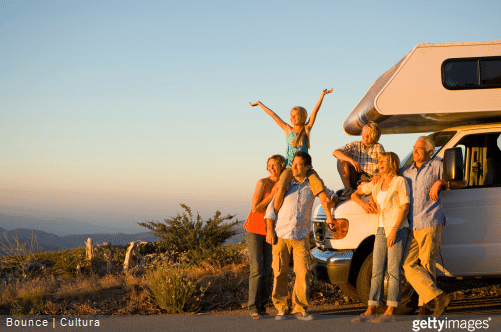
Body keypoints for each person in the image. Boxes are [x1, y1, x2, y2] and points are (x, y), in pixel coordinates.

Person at [264, 151, 338, 321]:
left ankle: (299, 309)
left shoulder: (312, 185)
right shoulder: (286, 184)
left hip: (301, 237)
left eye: (298, 165)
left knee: (303, 273)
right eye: (294, 164)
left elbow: (330, 195)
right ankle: (281, 308)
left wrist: (332, 203)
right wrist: (269, 230)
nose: (294, 168)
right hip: (281, 235)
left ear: (307, 167)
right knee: (279, 272)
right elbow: (270, 211)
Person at [250, 88, 335, 227]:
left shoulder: (306, 130)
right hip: (289, 167)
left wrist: (322, 95)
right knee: (281, 188)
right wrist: (260, 104)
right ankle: (273, 218)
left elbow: (315, 112)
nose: (292, 118)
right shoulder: (287, 129)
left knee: (318, 185)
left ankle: (329, 217)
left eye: (295, 116)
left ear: (302, 117)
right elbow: (273, 115)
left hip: (306, 167)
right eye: (291, 116)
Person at [350, 152, 410, 323]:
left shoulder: (400, 181)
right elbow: (356, 194)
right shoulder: (376, 183)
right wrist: (363, 204)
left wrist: (395, 230)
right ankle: (371, 309)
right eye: (379, 161)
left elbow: (404, 207)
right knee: (376, 270)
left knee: (393, 270)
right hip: (381, 228)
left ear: (392, 164)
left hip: (397, 229)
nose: (380, 164)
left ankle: (390, 310)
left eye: (384, 161)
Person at [401, 136, 455, 316]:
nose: (415, 150)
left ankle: (424, 306)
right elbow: (390, 177)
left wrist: (440, 182)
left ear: (430, 152)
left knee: (427, 263)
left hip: (430, 221)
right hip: (412, 224)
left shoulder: (438, 165)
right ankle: (438, 297)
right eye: (414, 147)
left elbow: (459, 181)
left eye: (420, 148)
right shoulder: (406, 171)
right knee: (407, 264)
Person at [243, 154, 286, 319]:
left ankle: (262, 305)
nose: (272, 168)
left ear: (282, 166)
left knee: (269, 270)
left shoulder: (285, 184)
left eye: (275, 165)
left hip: (272, 231)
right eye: (269, 165)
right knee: (257, 269)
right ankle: (252, 307)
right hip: (254, 230)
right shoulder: (263, 183)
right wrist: (271, 194)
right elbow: (255, 208)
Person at [332, 122, 385, 197]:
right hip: (356, 175)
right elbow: (335, 152)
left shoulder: (378, 147)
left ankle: (359, 190)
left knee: (363, 188)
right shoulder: (355, 145)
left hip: (369, 177)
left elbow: (383, 164)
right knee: (341, 159)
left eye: (369, 135)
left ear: (374, 137)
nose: (365, 136)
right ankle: (348, 189)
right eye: (364, 133)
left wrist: (378, 175)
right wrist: (351, 161)